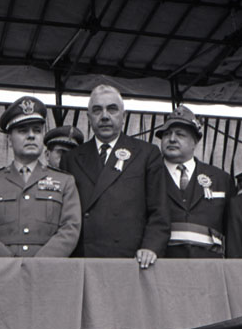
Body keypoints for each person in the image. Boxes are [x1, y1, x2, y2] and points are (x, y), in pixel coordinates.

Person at [59, 84, 169, 268]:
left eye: (112, 109)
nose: (104, 116)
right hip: (84, 260)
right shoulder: (71, 158)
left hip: (132, 260)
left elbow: (159, 210)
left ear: (123, 116)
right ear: (88, 118)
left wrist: (151, 247)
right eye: (97, 110)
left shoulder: (147, 154)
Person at [0, 96, 81, 257]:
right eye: (23, 131)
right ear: (9, 139)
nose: (31, 136)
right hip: (2, 270)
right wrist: (10, 264)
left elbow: (70, 228)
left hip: (48, 269)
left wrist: (38, 264)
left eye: (37, 130)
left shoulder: (65, 182)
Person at [155, 106, 235, 258]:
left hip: (209, 266)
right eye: (166, 134)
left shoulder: (221, 179)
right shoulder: (149, 175)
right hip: (162, 265)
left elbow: (232, 232)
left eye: (180, 134)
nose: (172, 139)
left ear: (195, 141)